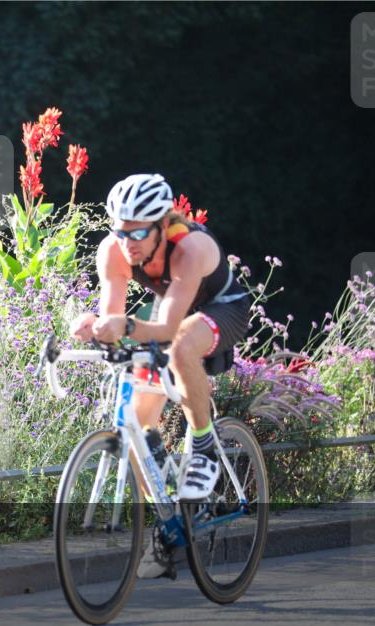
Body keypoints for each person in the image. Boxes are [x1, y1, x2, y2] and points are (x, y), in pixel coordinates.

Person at [70, 173, 251, 577]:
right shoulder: (114, 251)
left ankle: (203, 449)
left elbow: (168, 329)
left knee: (183, 344)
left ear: (162, 227)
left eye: (137, 234)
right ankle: (168, 525)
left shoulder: (191, 248)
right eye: (119, 231)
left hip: (221, 309)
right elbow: (113, 313)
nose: (127, 242)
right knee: (137, 425)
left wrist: (125, 326)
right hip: (172, 312)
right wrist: (97, 326)